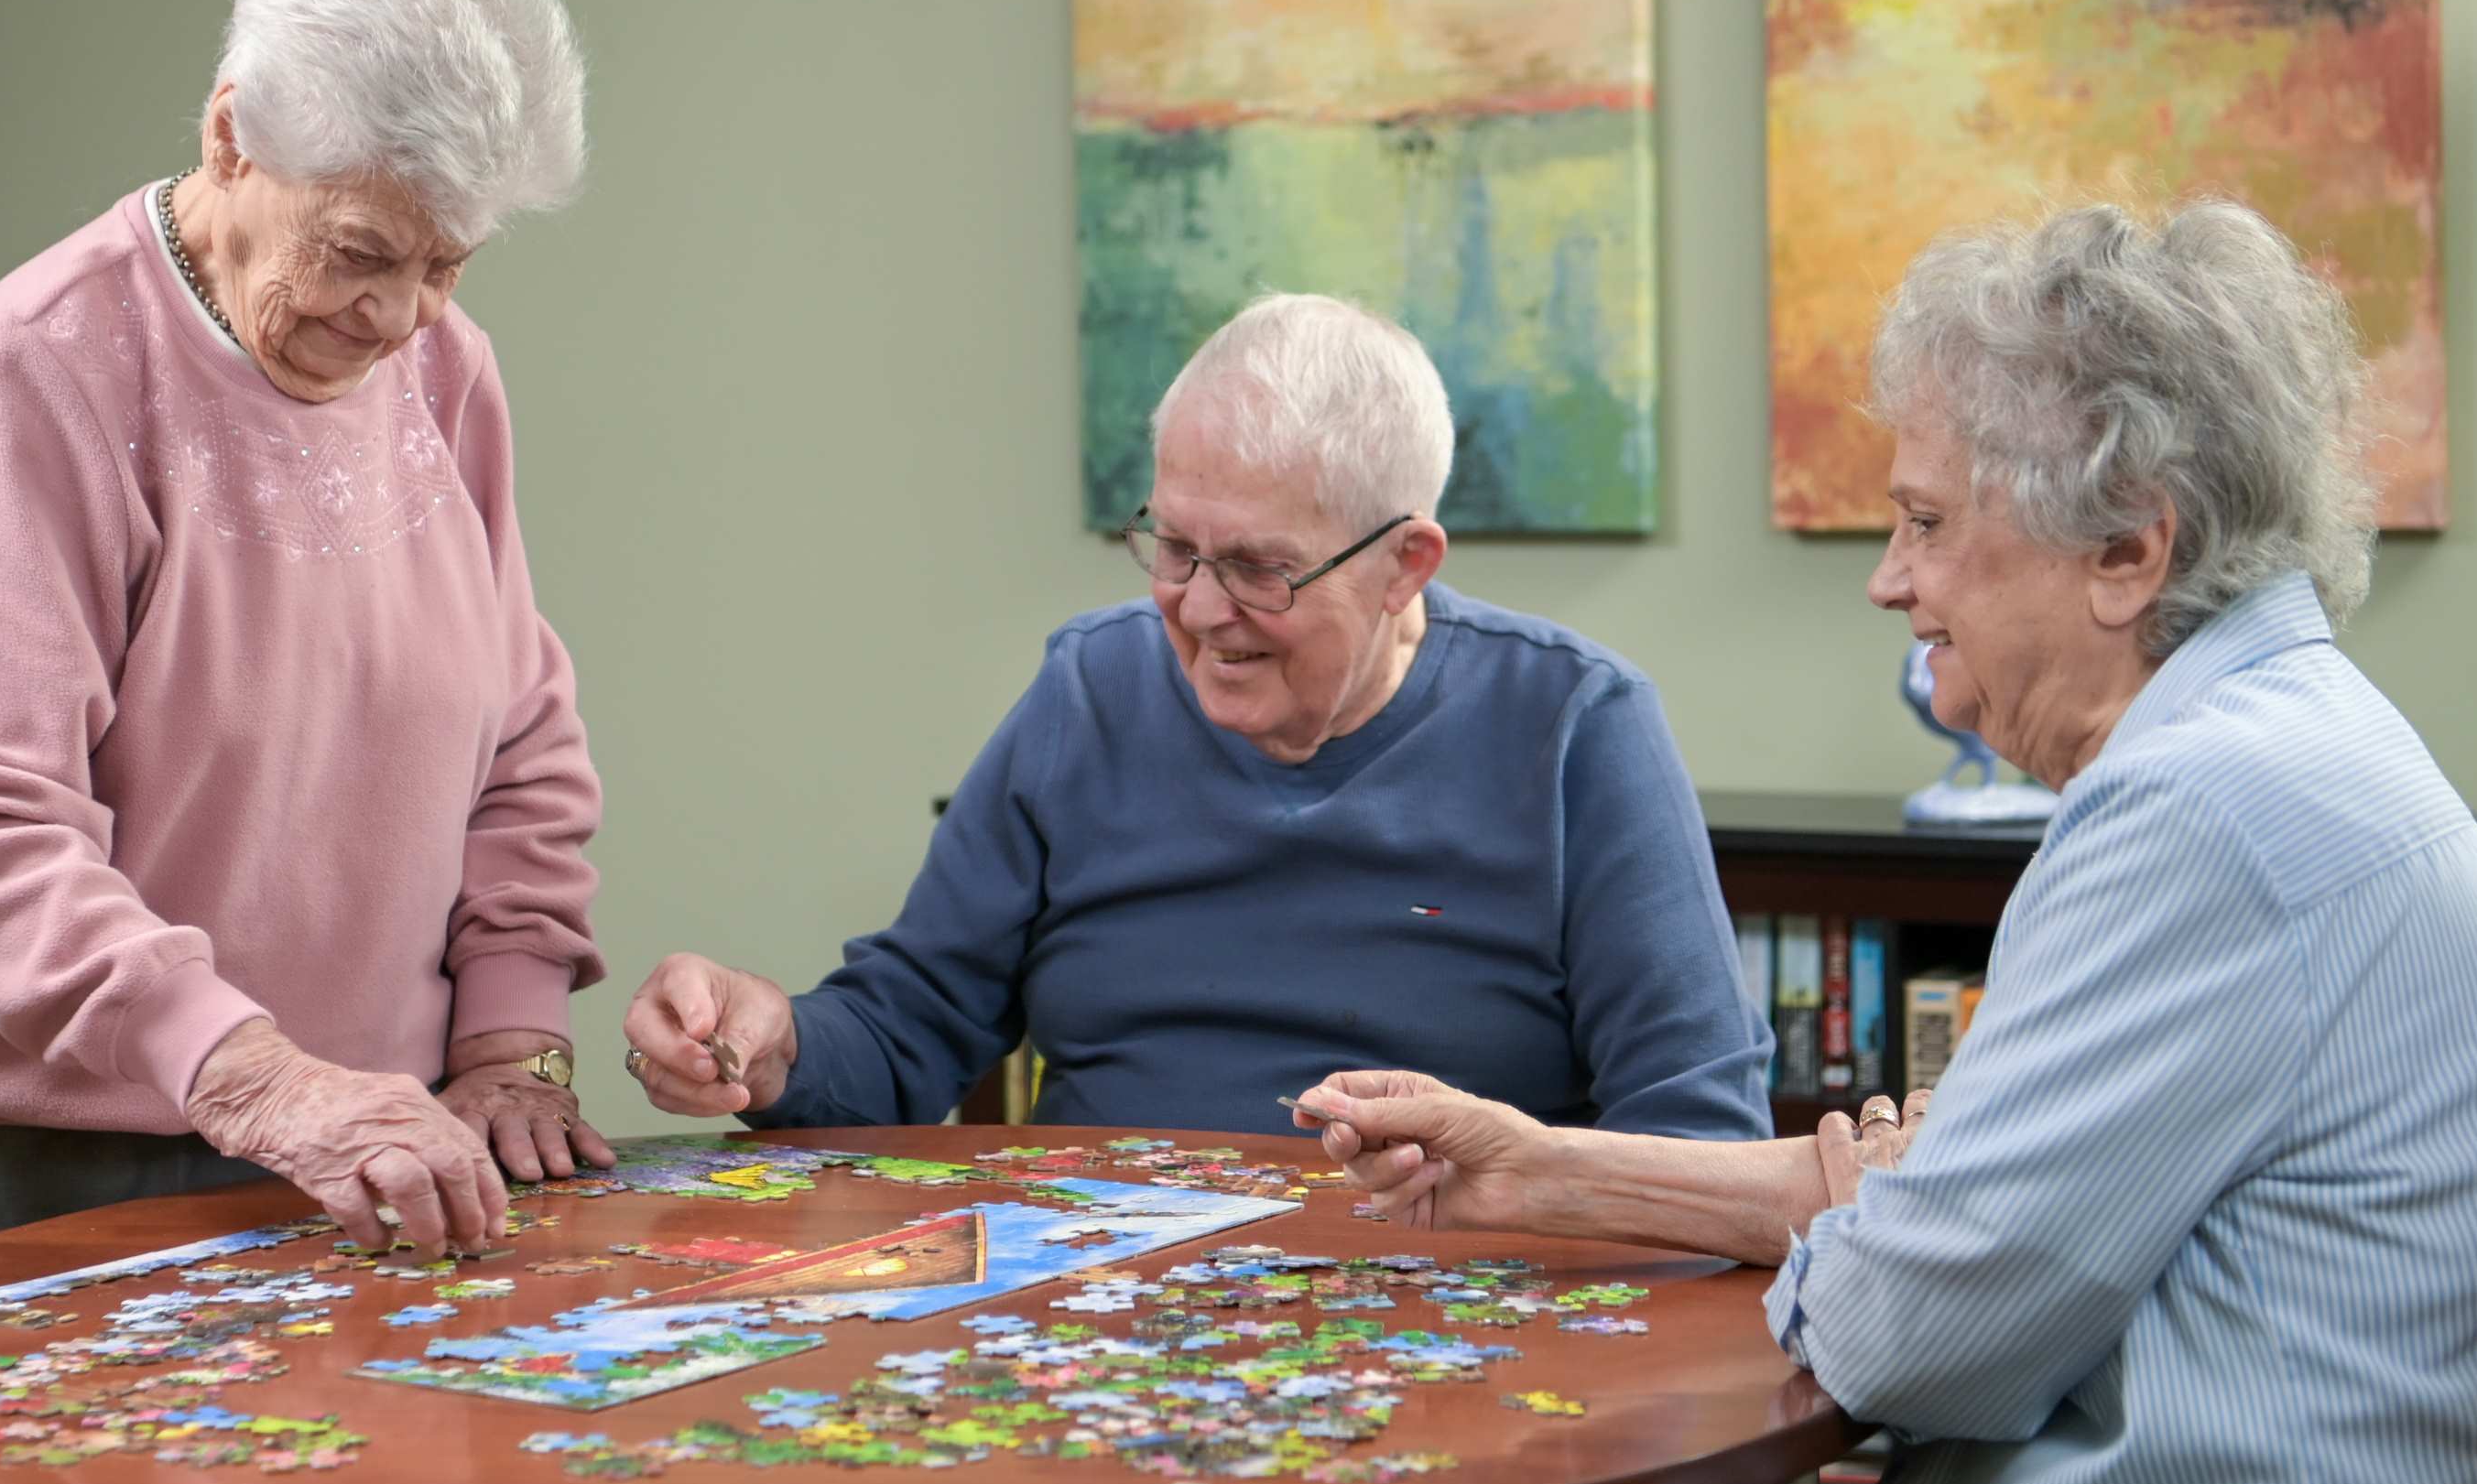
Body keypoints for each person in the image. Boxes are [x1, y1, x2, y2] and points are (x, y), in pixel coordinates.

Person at [1299, 202, 2477, 1484]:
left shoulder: (2197, 817)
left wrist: (1887, 1220)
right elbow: (1923, 1222)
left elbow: (1910, 1330)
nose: (1890, 577)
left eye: (1927, 520)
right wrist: (1543, 1165)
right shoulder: (2293, 744)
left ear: (2128, 546)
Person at [0, 0, 615, 1273]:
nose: (400, 313)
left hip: (374, 1122)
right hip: (47, 1129)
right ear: (229, 135)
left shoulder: (443, 369)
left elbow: (518, 734)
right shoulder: (38, 370)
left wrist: (510, 1036)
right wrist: (258, 1079)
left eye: (447, 263)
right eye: (359, 250)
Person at [624, 292, 1768, 1142]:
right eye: (1175, 547)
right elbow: (908, 1027)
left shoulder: (1576, 726)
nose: (1203, 609)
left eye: (1264, 567)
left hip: (1454, 1317)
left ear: (1405, 562)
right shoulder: (1089, 691)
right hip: (1099, 1316)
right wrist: (770, 1043)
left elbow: (1698, 1133)